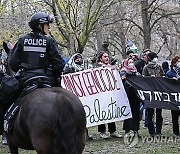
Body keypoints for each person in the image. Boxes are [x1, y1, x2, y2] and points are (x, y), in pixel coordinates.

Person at [0, 12, 65, 136]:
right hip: (46, 79)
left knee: (5, 98)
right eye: (47, 24)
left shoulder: (23, 40)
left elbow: (13, 63)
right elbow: (59, 64)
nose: (49, 27)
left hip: (26, 79)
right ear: (40, 26)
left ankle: (5, 127)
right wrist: (54, 74)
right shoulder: (49, 41)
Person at [63, 53, 93, 140]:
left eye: (80, 59)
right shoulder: (69, 69)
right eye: (77, 59)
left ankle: (85, 134)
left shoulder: (83, 69)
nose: (79, 60)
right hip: (72, 95)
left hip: (83, 95)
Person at [96, 51, 122, 139]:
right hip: (101, 93)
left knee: (111, 110)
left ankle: (112, 131)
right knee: (102, 111)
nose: (107, 58)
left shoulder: (111, 68)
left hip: (110, 93)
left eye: (107, 56)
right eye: (104, 57)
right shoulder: (97, 68)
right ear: (100, 59)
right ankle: (102, 131)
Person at [142, 51, 164, 136]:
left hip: (159, 92)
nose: (156, 59)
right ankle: (151, 131)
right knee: (150, 112)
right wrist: (149, 78)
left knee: (159, 112)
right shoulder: (146, 68)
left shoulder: (159, 67)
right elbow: (143, 79)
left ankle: (158, 130)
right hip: (150, 93)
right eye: (155, 57)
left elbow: (163, 76)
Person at [120, 57, 141, 137]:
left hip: (135, 95)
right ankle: (127, 130)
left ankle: (136, 129)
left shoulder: (136, 72)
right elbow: (121, 80)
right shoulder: (123, 71)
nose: (131, 63)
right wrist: (123, 78)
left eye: (132, 62)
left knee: (136, 113)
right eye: (129, 62)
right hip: (127, 95)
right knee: (128, 113)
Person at [166, 56, 180, 136]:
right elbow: (166, 84)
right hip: (174, 98)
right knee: (174, 117)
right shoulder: (169, 73)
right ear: (174, 63)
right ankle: (176, 132)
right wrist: (172, 81)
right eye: (178, 61)